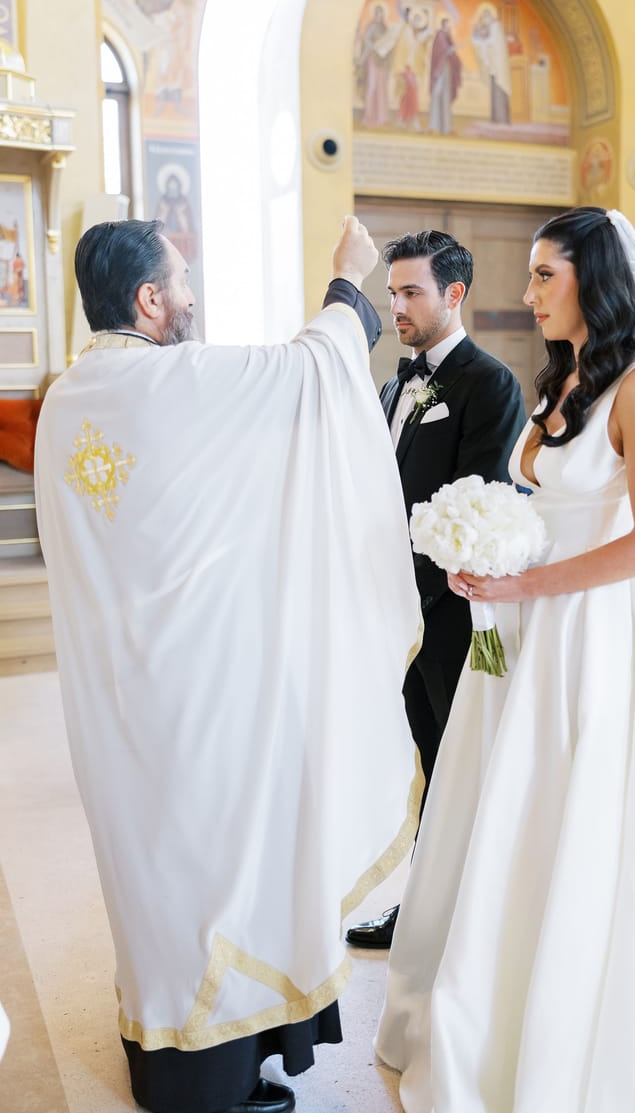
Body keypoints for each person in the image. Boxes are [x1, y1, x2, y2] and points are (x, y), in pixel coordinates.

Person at [375, 207, 635, 1113]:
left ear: (593, 281)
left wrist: (529, 586)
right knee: (511, 813)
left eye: (543, 275)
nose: (525, 294)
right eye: (529, 276)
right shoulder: (560, 378)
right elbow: (538, 504)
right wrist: (492, 555)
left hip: (599, 637)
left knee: (589, 822)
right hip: (527, 633)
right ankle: (495, 1009)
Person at [34, 216, 422, 1113]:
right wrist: (347, 277)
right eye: (183, 282)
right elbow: (306, 372)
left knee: (151, 869)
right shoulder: (171, 382)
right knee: (217, 869)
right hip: (197, 694)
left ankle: (167, 1051)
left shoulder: (70, 396)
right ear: (148, 299)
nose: (193, 298)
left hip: (118, 689)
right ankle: (211, 1081)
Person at [345, 230, 526, 951]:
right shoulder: (394, 382)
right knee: (421, 765)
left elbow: (479, 501)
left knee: (460, 767)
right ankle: (421, 907)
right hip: (394, 617)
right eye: (391, 291)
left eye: (411, 291)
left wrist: (413, 593)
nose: (396, 305)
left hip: (451, 618)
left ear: (454, 294)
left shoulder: (490, 384)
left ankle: (468, 920)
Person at [428, 19, 462, 135]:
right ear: (444, 25)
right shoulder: (440, 35)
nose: (449, 28)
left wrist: (455, 53)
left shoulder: (447, 36)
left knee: (445, 97)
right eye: (448, 25)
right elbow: (443, 51)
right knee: (437, 95)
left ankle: (446, 128)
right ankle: (433, 126)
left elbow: (450, 53)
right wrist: (453, 48)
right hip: (439, 71)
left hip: (446, 70)